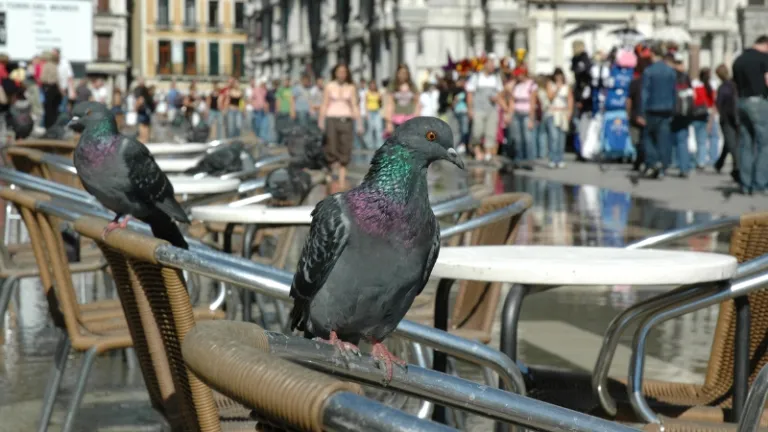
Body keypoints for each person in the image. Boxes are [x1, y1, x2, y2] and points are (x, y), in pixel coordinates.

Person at [732, 35, 768, 195]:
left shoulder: (739, 60)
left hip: (741, 101)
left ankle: (745, 184)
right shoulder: (764, 59)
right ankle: (760, 183)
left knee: (746, 144)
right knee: (764, 144)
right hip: (758, 102)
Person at [318, 63, 363, 185]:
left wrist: (359, 123)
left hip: (346, 119)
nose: (342, 74)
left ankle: (342, 180)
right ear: (335, 73)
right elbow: (324, 103)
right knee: (331, 147)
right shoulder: (329, 86)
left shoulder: (351, 87)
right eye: (339, 72)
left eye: (344, 72)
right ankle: (330, 175)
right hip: (332, 118)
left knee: (345, 148)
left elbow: (354, 105)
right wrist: (321, 120)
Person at [638, 44, 677, 179]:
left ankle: (652, 162)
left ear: (653, 55)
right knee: (664, 138)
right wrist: (673, 108)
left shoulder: (649, 71)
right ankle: (663, 165)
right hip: (666, 108)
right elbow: (674, 92)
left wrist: (641, 112)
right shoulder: (670, 71)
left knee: (649, 137)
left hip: (651, 108)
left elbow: (645, 93)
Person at [467, 58, 505, 161]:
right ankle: (477, 150)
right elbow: (470, 94)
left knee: (491, 132)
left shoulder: (496, 78)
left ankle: (488, 153)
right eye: (490, 64)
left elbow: (501, 92)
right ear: (485, 65)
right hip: (478, 108)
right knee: (477, 131)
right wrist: (470, 109)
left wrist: (497, 98)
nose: (492, 66)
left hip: (492, 109)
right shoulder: (476, 77)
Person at [713, 64, 739, 182]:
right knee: (730, 142)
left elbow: (718, 103)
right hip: (736, 117)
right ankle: (720, 163)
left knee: (731, 143)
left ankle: (736, 168)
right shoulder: (735, 85)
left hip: (726, 118)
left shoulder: (723, 87)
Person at [669, 52, 694, 177]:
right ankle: (684, 167)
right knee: (682, 140)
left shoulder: (669, 75)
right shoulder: (685, 77)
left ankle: (672, 162)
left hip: (671, 111)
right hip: (684, 113)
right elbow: (690, 95)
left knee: (672, 139)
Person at [692, 67, 719, 169]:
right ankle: (713, 158)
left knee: (700, 139)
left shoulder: (695, 84)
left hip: (697, 113)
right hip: (709, 113)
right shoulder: (712, 85)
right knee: (713, 137)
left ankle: (701, 160)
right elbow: (714, 102)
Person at [546, 68, 573, 168]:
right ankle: (553, 159)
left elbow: (570, 99)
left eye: (560, 75)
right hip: (553, 113)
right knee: (554, 137)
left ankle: (560, 159)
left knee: (561, 138)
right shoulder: (550, 84)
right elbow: (550, 97)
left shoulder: (566, 86)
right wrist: (557, 89)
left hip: (563, 112)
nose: (558, 77)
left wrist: (569, 112)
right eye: (557, 75)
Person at [508, 67, 535, 167]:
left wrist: (531, 119)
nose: (519, 77)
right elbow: (511, 100)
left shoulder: (531, 84)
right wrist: (509, 114)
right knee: (517, 138)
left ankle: (529, 160)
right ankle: (518, 159)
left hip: (526, 113)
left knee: (527, 138)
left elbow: (532, 102)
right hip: (516, 112)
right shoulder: (515, 85)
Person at [628, 56, 650, 171]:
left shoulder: (635, 82)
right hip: (648, 115)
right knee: (645, 140)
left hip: (635, 115)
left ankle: (639, 160)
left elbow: (629, 100)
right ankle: (643, 161)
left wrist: (629, 114)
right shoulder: (651, 83)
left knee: (636, 141)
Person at [385, 64, 420, 135]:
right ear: (397, 73)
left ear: (408, 74)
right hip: (396, 119)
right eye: (400, 73)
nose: (402, 75)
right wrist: (388, 122)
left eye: (404, 73)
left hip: (410, 119)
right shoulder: (392, 85)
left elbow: (417, 103)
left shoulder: (412, 86)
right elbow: (389, 104)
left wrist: (417, 119)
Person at [40, 52, 61, 129]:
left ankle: (47, 126)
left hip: (47, 88)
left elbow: (42, 78)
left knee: (48, 108)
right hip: (53, 88)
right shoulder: (55, 66)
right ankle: (52, 125)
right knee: (53, 109)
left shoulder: (46, 65)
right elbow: (57, 80)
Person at [52, 48, 74, 113]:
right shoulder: (51, 63)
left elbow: (70, 76)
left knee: (62, 109)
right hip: (54, 90)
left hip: (63, 89)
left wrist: (72, 90)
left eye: (54, 54)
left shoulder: (65, 62)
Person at [364, 80, 384, 149]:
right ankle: (369, 144)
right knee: (370, 128)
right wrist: (366, 113)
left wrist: (381, 99)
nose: (373, 86)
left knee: (378, 128)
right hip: (370, 111)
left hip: (377, 111)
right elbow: (365, 104)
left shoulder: (378, 93)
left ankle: (379, 144)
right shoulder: (367, 93)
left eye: (374, 85)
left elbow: (381, 104)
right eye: (371, 85)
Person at [452, 77, 469, 153]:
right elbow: (454, 100)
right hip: (458, 112)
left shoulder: (466, 91)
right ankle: (458, 145)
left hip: (464, 112)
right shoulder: (456, 90)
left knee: (464, 130)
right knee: (459, 130)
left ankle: (462, 145)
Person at [248, 78, 268, 142]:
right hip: (257, 110)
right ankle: (258, 137)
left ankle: (262, 139)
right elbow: (250, 99)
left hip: (263, 110)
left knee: (263, 125)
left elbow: (266, 100)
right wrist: (254, 105)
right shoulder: (256, 89)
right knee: (257, 125)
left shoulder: (265, 90)